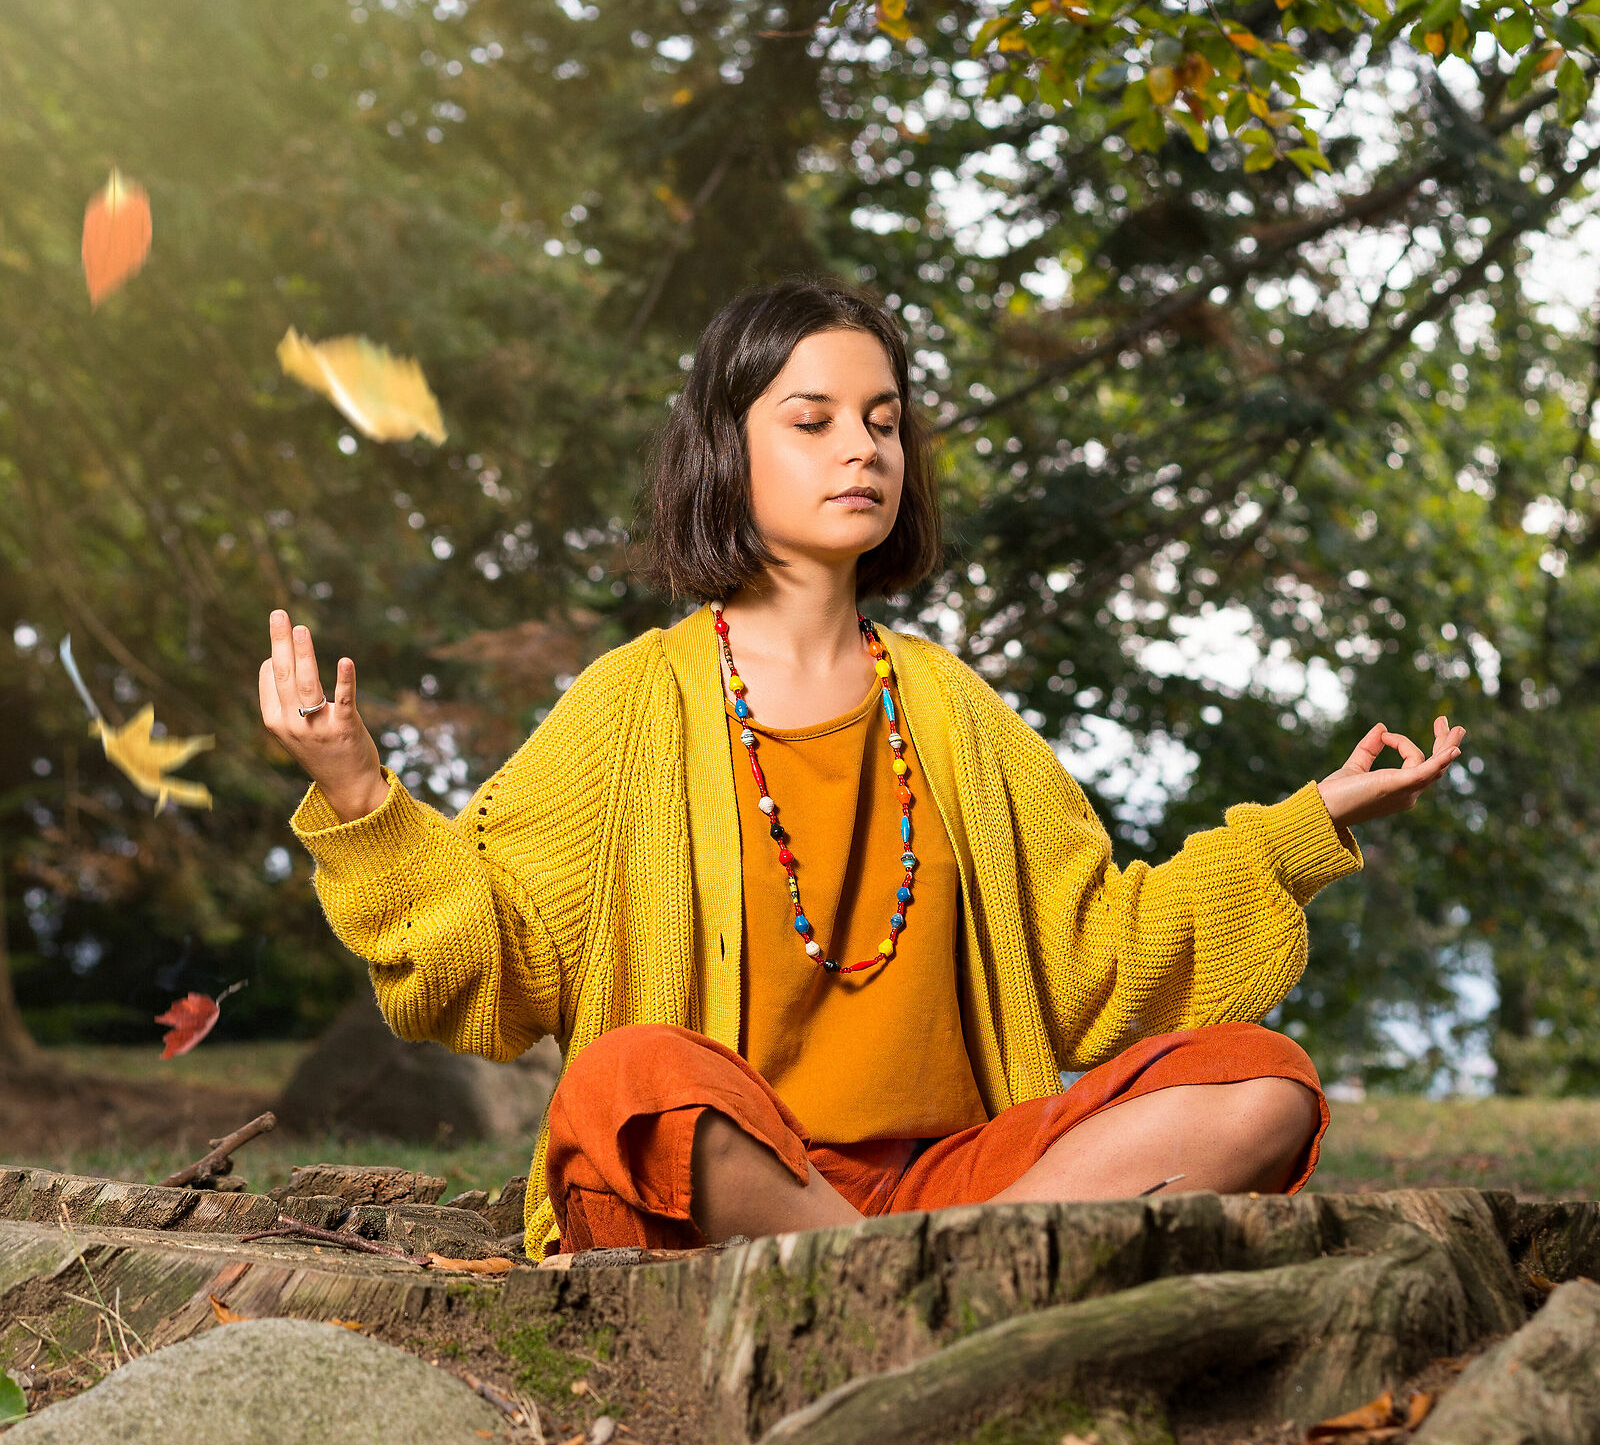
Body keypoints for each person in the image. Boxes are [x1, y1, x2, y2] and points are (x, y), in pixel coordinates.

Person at [261, 278, 1463, 1261]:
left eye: (884, 420)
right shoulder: (632, 705)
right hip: (720, 1187)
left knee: (1265, 1083)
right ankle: (941, 1286)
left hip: (958, 1186)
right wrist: (363, 795)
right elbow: (502, 966)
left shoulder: (950, 708)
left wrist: (1304, 827)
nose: (863, 448)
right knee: (628, 1082)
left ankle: (915, 1280)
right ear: (727, 448)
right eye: (815, 417)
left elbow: (1102, 956)